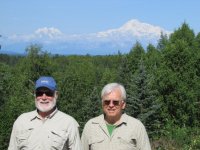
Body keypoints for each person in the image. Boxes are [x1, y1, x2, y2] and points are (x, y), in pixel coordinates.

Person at [8, 76, 82, 150]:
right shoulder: (21, 121)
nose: (43, 98)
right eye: (39, 93)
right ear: (35, 95)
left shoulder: (69, 123)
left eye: (48, 93)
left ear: (56, 95)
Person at [81, 83, 151, 150]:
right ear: (102, 104)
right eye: (107, 102)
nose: (111, 105)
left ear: (123, 104)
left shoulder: (136, 127)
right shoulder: (90, 126)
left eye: (115, 102)